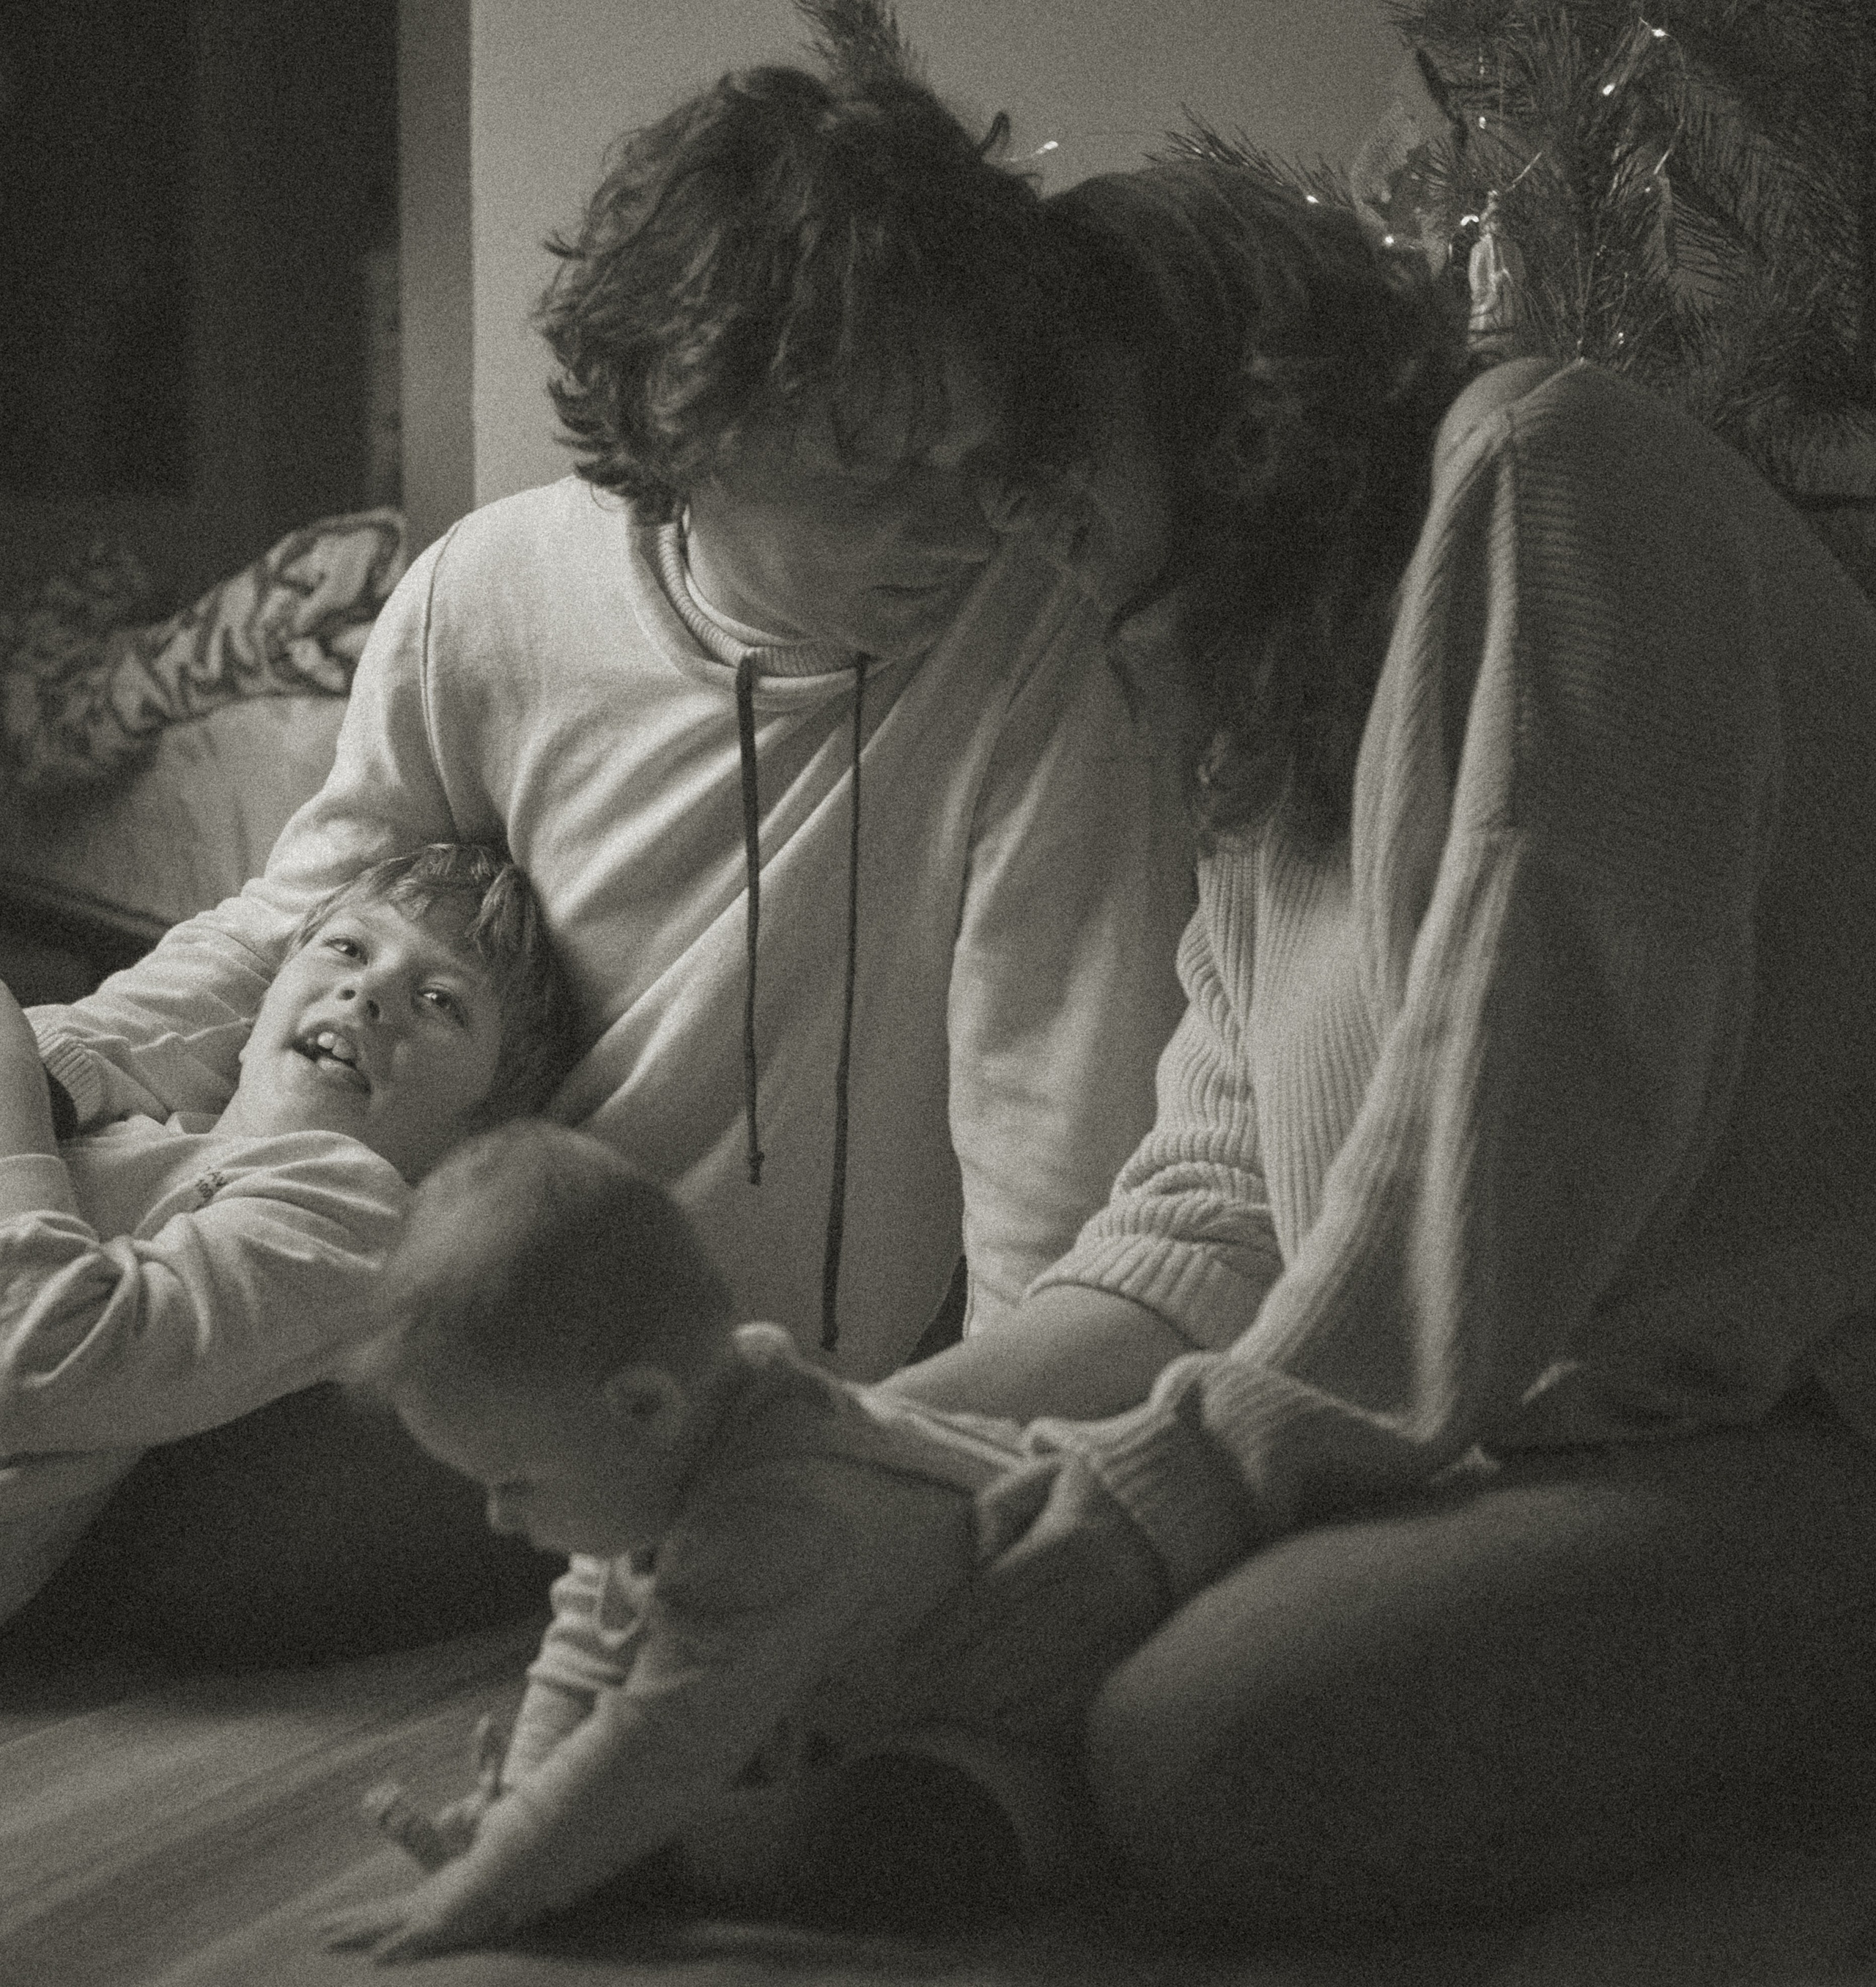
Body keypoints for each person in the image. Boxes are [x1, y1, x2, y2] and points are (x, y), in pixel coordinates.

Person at [885, 152, 1876, 1932]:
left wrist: (1167, 1489)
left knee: (1199, 1736)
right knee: (903, 1572)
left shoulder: (1540, 470)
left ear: (1220, 358)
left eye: (1042, 418)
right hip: (1541, 1432)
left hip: (1799, 1419)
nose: (997, 492)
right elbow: (1208, 1212)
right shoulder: (1255, 677)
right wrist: (859, 1438)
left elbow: (1517, 1130)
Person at [27, 13, 1189, 1397]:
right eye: (876, 470)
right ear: (692, 434)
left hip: (712, 1395)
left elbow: (1049, 1139)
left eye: (975, 454)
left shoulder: (1029, 645)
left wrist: (971, 1488)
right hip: (402, 1302)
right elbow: (312, 919)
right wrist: (61, 1064)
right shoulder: (492, 589)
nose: (962, 518)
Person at [318, 1120, 1167, 1963]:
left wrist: (492, 1880)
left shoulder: (785, 1511)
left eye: (513, 1481)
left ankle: (621, 1858)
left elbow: (663, 1736)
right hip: (870, 1702)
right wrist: (517, 1804)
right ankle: (599, 1849)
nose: (498, 1517)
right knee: (657, 1790)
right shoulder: (658, 1453)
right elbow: (585, 1642)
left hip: (1038, 1721)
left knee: (889, 1837)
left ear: (644, 1405)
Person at [0, 842, 577, 1642]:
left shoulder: (345, 1208)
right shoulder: (142, 1119)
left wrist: (13, 1084)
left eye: (442, 1001)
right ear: (257, 1011)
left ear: (474, 1134)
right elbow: (85, 1052)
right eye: (346, 947)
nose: (370, 991)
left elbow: (41, 1366)